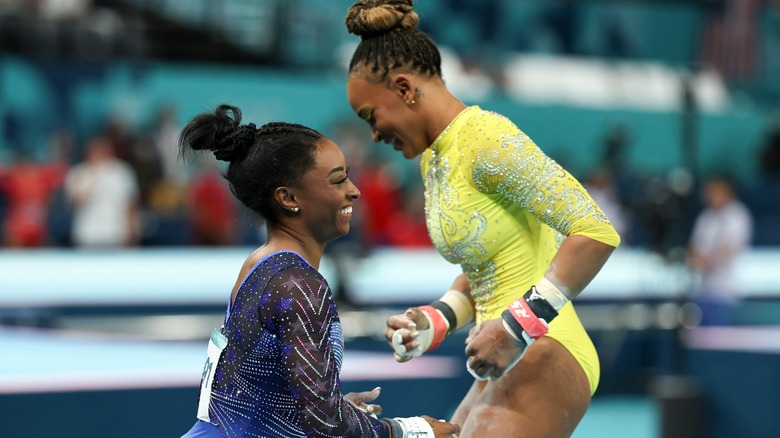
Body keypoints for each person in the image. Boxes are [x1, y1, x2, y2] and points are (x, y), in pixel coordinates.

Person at [343, 1, 621, 436]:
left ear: (403, 88)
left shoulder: (486, 138)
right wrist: (432, 321)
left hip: (547, 347)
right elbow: (488, 269)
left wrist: (516, 327)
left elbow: (596, 231)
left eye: (370, 116)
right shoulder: (434, 158)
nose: (374, 134)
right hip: (506, 357)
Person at [178, 104, 459, 438]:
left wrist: (325, 406)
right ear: (288, 198)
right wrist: (413, 431)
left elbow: (263, 396)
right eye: (337, 180)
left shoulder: (261, 264)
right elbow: (327, 425)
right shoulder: (298, 285)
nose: (353, 190)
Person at [687, 175, 753, 326]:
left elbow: (729, 249)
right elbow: (693, 248)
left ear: (725, 191)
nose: (708, 195)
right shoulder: (705, 217)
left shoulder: (738, 215)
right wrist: (696, 259)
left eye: (713, 191)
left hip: (724, 292)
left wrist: (707, 261)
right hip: (702, 291)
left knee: (717, 340)